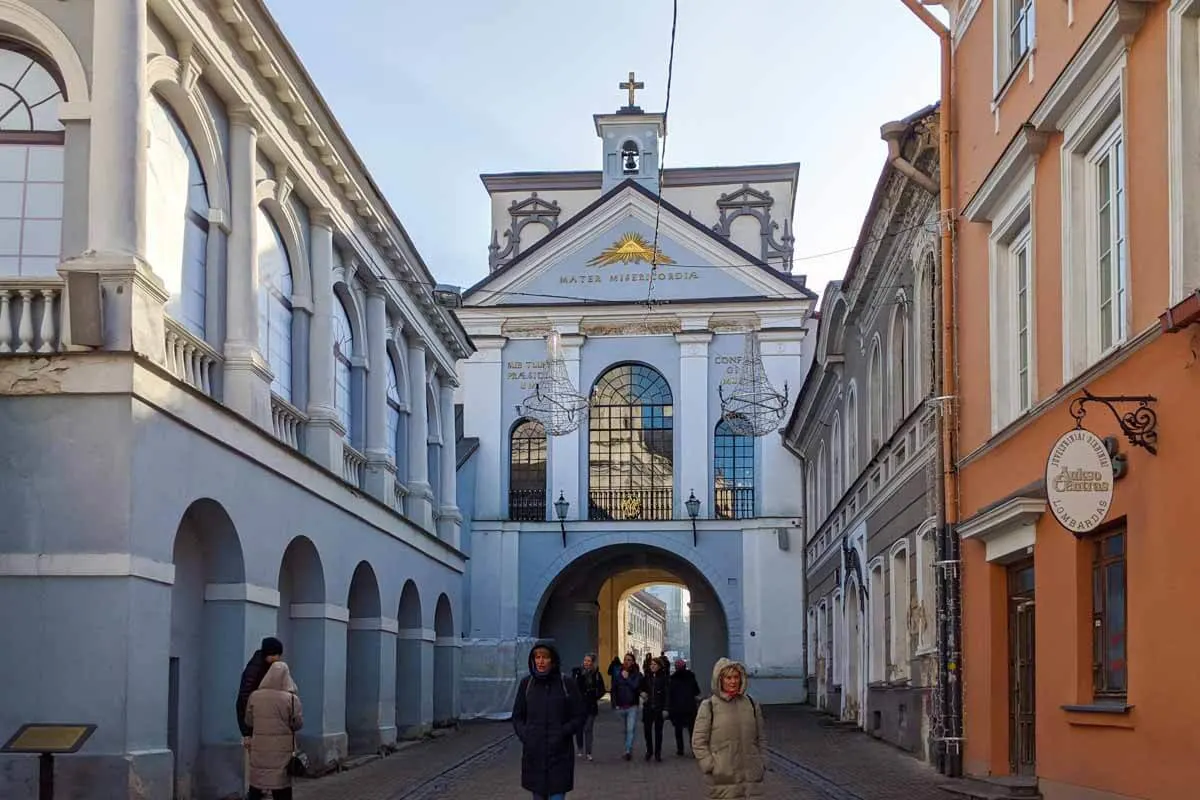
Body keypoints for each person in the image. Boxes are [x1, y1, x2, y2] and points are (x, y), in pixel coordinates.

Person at [512, 642, 586, 800]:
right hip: (535, 755)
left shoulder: (566, 684)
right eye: (537, 657)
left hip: (559, 755)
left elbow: (579, 715)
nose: (540, 661)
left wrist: (563, 732)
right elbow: (517, 716)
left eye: (544, 657)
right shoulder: (527, 684)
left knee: (557, 796)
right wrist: (526, 735)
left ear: (552, 660)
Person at [692, 658, 766, 798]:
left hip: (752, 781)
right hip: (723, 782)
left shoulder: (751, 703)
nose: (733, 681)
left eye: (736, 677)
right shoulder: (709, 706)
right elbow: (698, 742)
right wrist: (711, 766)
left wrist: (762, 761)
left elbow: (761, 737)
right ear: (720, 680)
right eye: (728, 678)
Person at [244, 660, 303, 800]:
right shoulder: (291, 699)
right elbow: (298, 724)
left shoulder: (255, 696)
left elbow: (249, 721)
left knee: (257, 783)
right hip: (282, 752)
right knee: (281, 787)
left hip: (260, 749)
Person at [238, 637, 284, 745]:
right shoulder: (255, 670)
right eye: (276, 654)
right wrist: (247, 732)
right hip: (254, 723)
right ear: (270, 654)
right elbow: (243, 699)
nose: (278, 658)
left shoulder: (265, 666)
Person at [571, 653, 606, 761]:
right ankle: (580, 748)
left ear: (592, 663)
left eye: (589, 661)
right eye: (585, 660)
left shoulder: (596, 675)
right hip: (579, 706)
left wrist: (595, 696)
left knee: (588, 729)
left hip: (591, 706)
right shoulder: (577, 672)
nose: (586, 663)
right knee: (579, 729)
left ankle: (589, 752)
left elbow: (602, 689)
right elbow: (572, 687)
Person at [609, 652, 641, 761]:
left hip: (632, 706)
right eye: (625, 659)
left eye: (629, 660)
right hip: (621, 705)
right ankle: (627, 748)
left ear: (633, 662)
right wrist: (614, 704)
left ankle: (628, 751)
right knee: (625, 730)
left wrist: (627, 678)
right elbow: (614, 689)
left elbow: (636, 686)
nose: (627, 662)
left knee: (630, 729)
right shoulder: (618, 673)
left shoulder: (636, 674)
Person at [668, 657, 702, 756]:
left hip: (677, 708)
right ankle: (693, 749)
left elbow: (670, 694)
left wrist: (669, 708)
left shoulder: (673, 678)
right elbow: (696, 691)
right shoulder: (691, 676)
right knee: (692, 730)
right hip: (690, 707)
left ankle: (680, 749)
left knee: (678, 730)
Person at [639, 656, 669, 762]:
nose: (652, 666)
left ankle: (657, 753)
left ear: (659, 666)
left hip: (659, 708)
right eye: (651, 664)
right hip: (648, 708)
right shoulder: (647, 677)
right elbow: (640, 687)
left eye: (655, 664)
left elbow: (667, 694)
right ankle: (649, 751)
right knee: (647, 731)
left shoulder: (664, 678)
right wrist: (641, 693)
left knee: (658, 731)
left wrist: (665, 708)